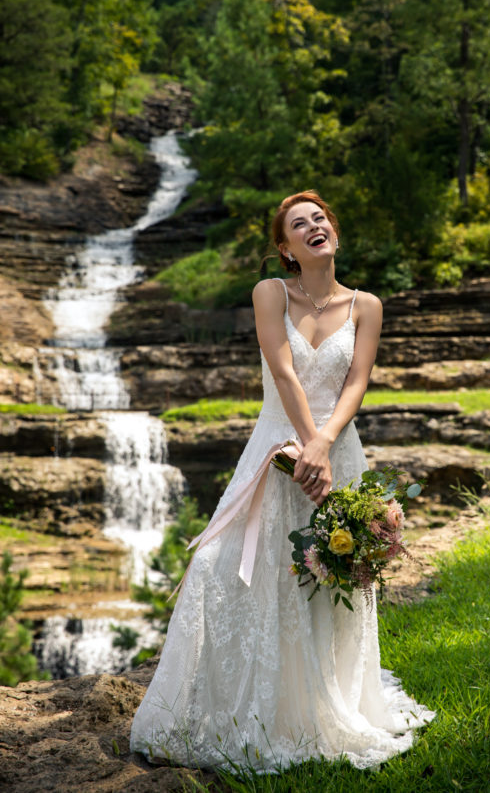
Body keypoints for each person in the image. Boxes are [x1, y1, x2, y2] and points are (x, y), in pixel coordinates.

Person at [130, 190, 435, 772]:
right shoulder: (271, 293)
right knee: (235, 573)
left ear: (334, 232)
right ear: (286, 248)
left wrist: (322, 446)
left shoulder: (366, 304)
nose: (314, 226)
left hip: (338, 454)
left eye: (320, 218)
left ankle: (325, 703)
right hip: (277, 447)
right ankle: (248, 707)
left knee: (332, 577)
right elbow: (283, 367)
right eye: (300, 224)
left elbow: (357, 383)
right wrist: (303, 444)